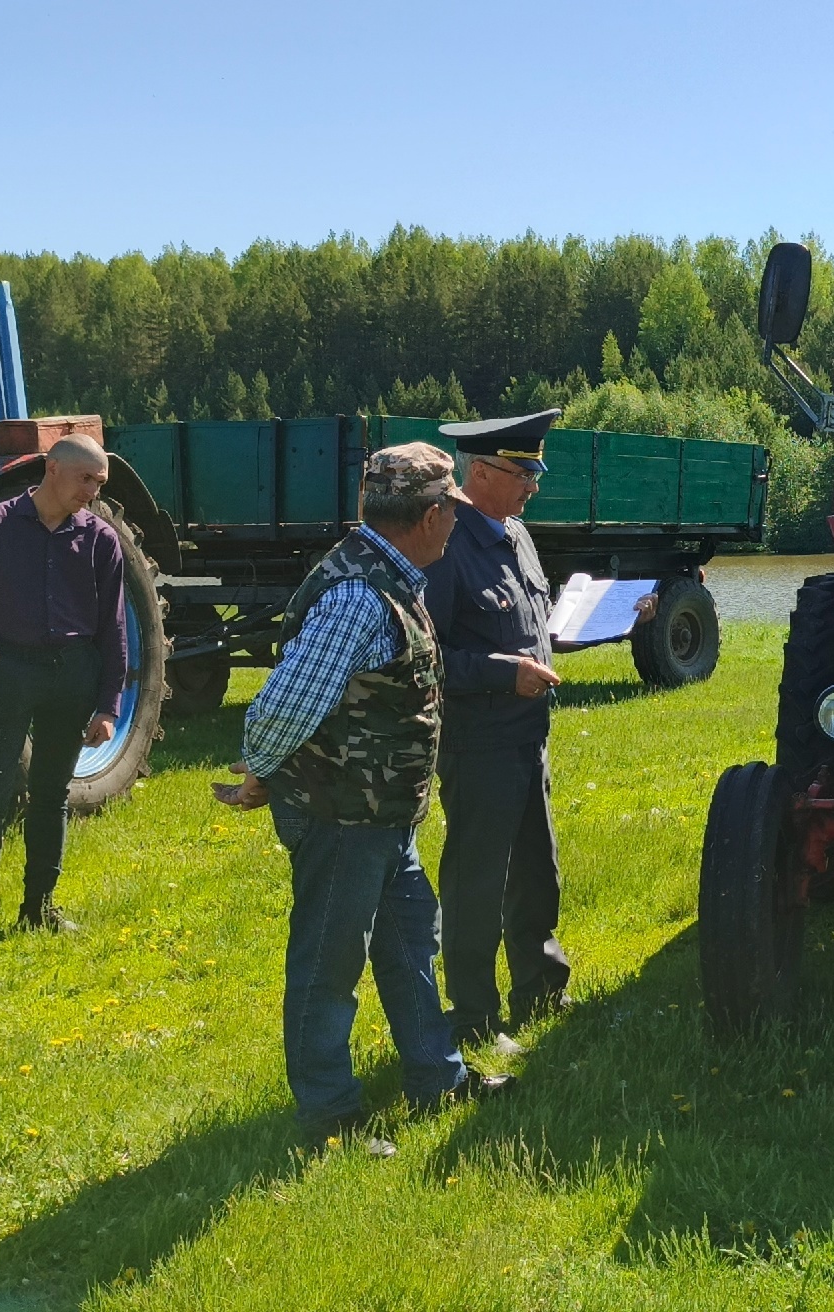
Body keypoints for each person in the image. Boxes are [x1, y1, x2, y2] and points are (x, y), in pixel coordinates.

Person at [214, 443, 505, 1152]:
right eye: (453, 514)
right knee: (329, 961)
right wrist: (261, 770)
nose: (456, 526)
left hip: (380, 815)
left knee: (410, 944)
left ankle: (437, 1075)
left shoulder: (388, 577)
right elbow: (282, 706)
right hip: (342, 815)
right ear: (431, 515)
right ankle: (328, 1115)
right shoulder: (357, 597)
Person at [0, 433, 125, 974]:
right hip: (8, 674)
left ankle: (39, 908)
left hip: (72, 679)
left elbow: (115, 629)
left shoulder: (101, 539)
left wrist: (108, 704)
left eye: (100, 484)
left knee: (52, 794)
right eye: (86, 480)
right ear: (53, 470)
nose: (93, 493)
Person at [425, 411, 585, 1045]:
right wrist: (501, 675)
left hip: (526, 736)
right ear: (481, 469)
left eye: (537, 471)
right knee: (477, 882)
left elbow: (531, 628)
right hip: (478, 740)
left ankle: (541, 990)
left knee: (536, 872)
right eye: (524, 471)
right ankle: (472, 1017)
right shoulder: (444, 542)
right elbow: (424, 656)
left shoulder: (515, 534)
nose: (534, 485)